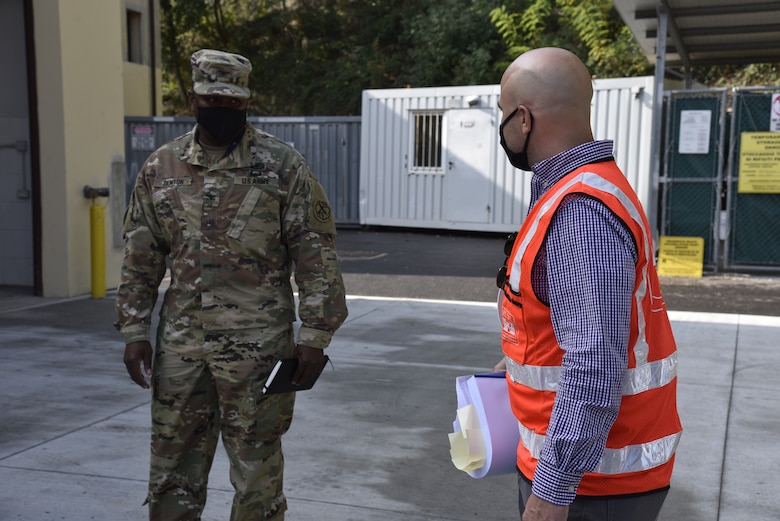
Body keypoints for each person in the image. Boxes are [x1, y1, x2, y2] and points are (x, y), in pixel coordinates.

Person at [116, 49, 348, 521]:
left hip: (259, 350)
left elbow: (315, 254)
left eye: (232, 104)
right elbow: (141, 255)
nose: (220, 111)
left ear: (247, 103)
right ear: (191, 98)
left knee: (256, 473)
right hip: (183, 349)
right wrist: (134, 330)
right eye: (211, 100)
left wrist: (316, 336)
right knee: (171, 468)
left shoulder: (282, 166)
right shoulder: (161, 168)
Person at [494, 47, 682, 521]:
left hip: (593, 485)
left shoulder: (581, 212)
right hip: (589, 476)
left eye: (501, 113)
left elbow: (595, 358)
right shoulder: (584, 189)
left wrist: (553, 493)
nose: (502, 127)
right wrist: (518, 355)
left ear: (523, 119)